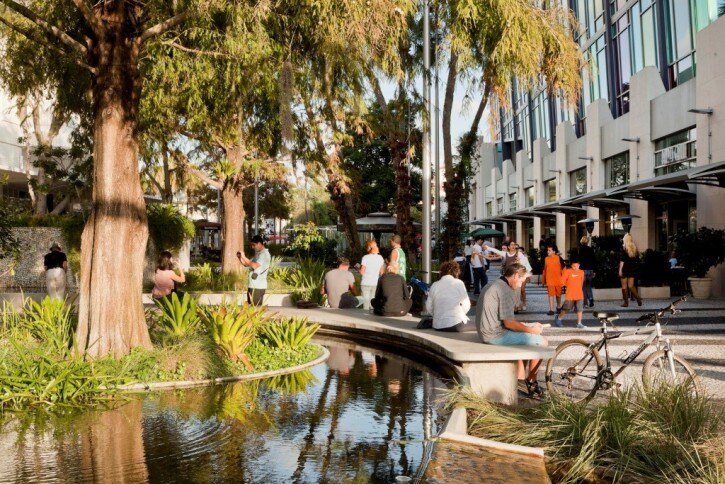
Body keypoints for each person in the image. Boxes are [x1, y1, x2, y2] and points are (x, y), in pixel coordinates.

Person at [475, 263, 548, 397]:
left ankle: (520, 378)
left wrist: (527, 327)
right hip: (494, 335)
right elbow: (509, 323)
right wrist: (532, 330)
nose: (521, 284)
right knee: (542, 342)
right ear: (515, 275)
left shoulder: (494, 284)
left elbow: (506, 321)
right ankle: (531, 381)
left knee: (525, 337)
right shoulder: (505, 290)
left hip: (485, 331)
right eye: (521, 280)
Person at [425, 260, 475, 332]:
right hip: (456, 324)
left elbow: (428, 306)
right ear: (456, 272)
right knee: (479, 326)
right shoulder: (458, 283)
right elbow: (467, 304)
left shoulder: (435, 285)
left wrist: (437, 315)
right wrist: (460, 315)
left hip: (437, 325)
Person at [236, 235, 271, 305]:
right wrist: (240, 258)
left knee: (255, 309)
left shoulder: (264, 254)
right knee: (250, 309)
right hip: (252, 286)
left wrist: (244, 256)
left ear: (259, 243)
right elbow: (247, 264)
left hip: (258, 287)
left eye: (253, 245)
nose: (252, 247)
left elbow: (255, 266)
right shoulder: (258, 254)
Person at [555, 259, 586, 329]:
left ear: (579, 265)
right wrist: (568, 285)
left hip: (579, 294)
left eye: (577, 266)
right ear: (571, 265)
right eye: (574, 266)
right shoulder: (567, 271)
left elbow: (581, 283)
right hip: (570, 294)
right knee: (566, 309)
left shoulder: (582, 272)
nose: (575, 267)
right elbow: (562, 281)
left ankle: (579, 323)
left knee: (580, 309)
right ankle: (559, 318)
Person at [359, 240, 385, 310]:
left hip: (365, 283)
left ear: (368, 248)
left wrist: (358, 269)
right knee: (373, 305)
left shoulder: (365, 257)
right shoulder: (380, 258)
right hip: (375, 283)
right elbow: (382, 273)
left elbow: (362, 272)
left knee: (365, 304)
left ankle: (364, 320)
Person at [619, 233, 642, 307]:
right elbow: (638, 259)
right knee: (631, 286)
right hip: (632, 270)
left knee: (624, 287)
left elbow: (622, 261)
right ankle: (638, 298)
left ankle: (626, 303)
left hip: (625, 269)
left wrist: (620, 270)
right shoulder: (634, 248)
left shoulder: (624, 248)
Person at [541, 245, 563, 316]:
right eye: (548, 250)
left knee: (558, 295)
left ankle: (559, 307)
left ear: (554, 251)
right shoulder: (546, 259)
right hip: (549, 280)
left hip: (558, 280)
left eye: (549, 250)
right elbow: (544, 270)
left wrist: (564, 280)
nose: (548, 252)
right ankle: (551, 310)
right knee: (550, 295)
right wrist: (543, 281)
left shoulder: (559, 258)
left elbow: (564, 269)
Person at [579, 235, 596, 308]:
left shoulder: (580, 250)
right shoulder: (591, 249)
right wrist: (594, 271)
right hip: (590, 270)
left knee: (583, 287)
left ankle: (585, 303)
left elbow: (579, 260)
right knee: (588, 286)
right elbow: (594, 260)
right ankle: (591, 298)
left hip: (583, 270)